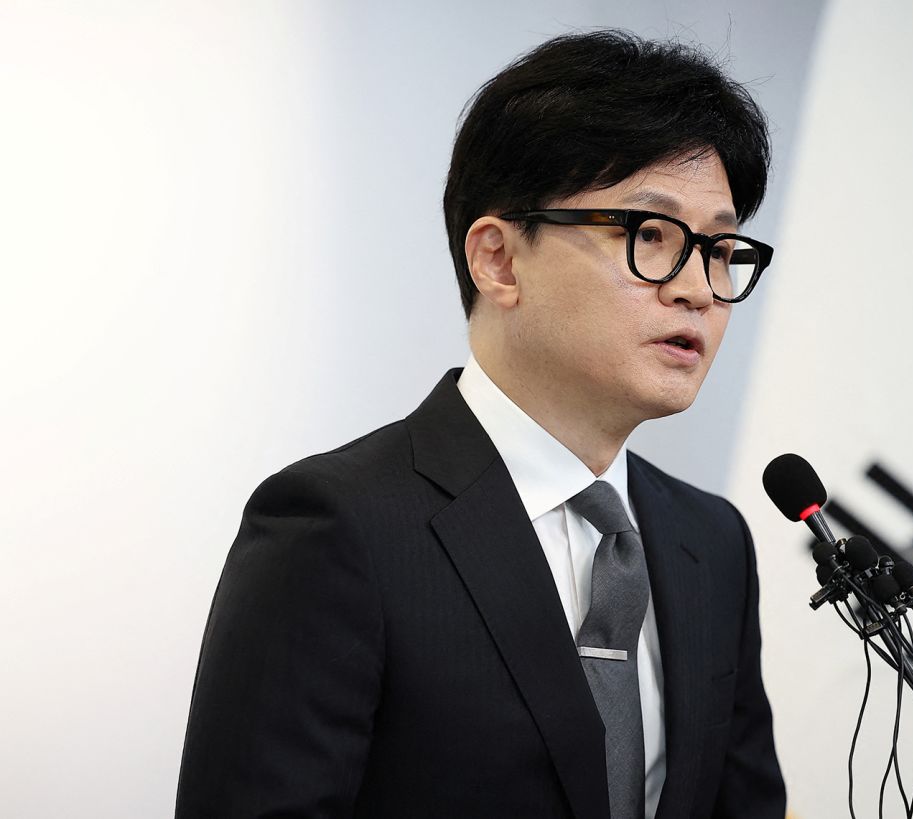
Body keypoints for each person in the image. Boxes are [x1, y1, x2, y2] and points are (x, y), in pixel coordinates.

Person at [177, 29, 785, 819]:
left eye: (720, 248)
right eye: (652, 236)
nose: (699, 289)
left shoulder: (714, 541)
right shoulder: (338, 529)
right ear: (498, 259)